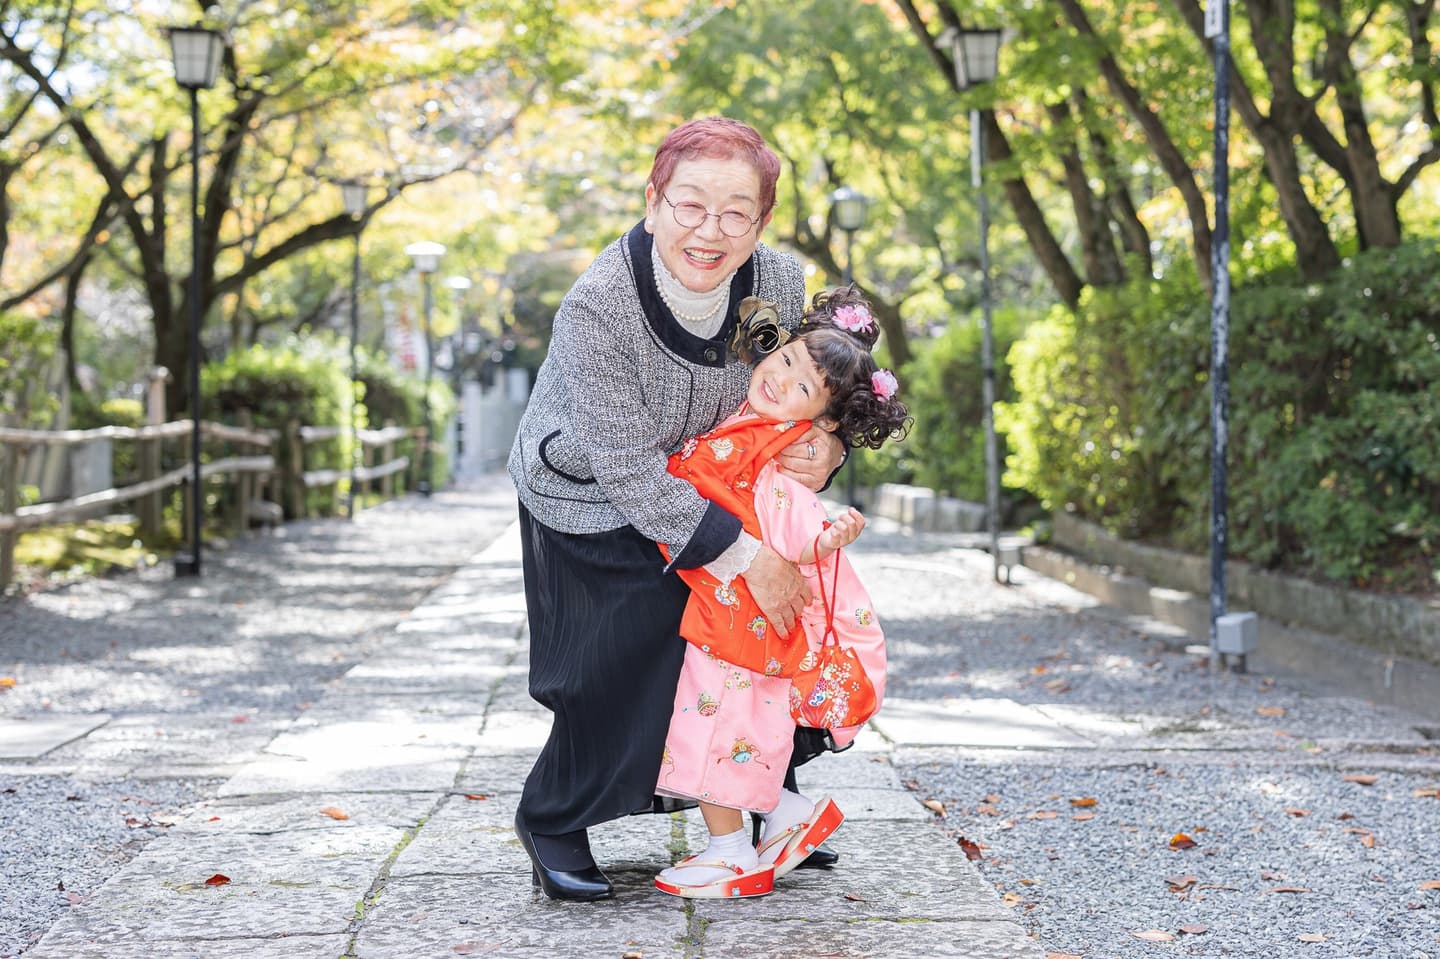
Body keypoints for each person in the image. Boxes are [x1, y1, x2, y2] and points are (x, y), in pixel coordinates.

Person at [507, 117, 847, 901]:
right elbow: (626, 466)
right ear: (654, 202)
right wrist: (746, 559)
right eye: (690, 205)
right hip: (591, 493)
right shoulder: (598, 306)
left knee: (763, 631)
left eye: (737, 212)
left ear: (760, 222)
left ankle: (763, 800)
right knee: (634, 644)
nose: (710, 231)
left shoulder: (779, 285)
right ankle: (554, 817)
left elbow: (814, 391)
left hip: (720, 482)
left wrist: (825, 450)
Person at [651, 288, 910, 899]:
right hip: (756, 628)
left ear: (821, 419)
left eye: (801, 387)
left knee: (708, 735)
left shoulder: (766, 451)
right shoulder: (773, 446)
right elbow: (796, 540)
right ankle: (790, 816)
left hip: (733, 627)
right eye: (788, 359)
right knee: (747, 730)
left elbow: (691, 478)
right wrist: (823, 542)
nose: (780, 378)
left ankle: (730, 856)